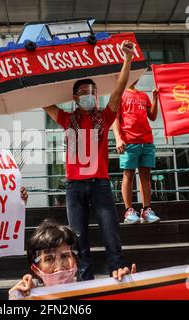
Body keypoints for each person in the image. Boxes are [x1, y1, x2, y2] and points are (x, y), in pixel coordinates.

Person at [42, 40, 135, 281]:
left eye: (93, 93)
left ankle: (118, 270)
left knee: (110, 233)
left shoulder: (103, 118)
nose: (89, 97)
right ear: (75, 97)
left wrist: (127, 59)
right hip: (74, 187)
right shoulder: (66, 119)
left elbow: (118, 90)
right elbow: (39, 99)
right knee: (78, 238)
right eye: (84, 93)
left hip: (99, 185)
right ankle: (85, 281)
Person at [9, 219, 136, 299]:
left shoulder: (95, 295)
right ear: (36, 269)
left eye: (65, 256)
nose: (59, 266)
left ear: (76, 261)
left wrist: (132, 292)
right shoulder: (27, 299)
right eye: (48, 259)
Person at [112, 78, 161, 224]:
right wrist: (118, 139)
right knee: (128, 175)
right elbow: (115, 118)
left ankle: (146, 211)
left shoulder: (143, 96)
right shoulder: (120, 94)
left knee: (145, 176)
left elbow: (152, 116)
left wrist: (155, 98)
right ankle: (129, 211)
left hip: (146, 141)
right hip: (129, 142)